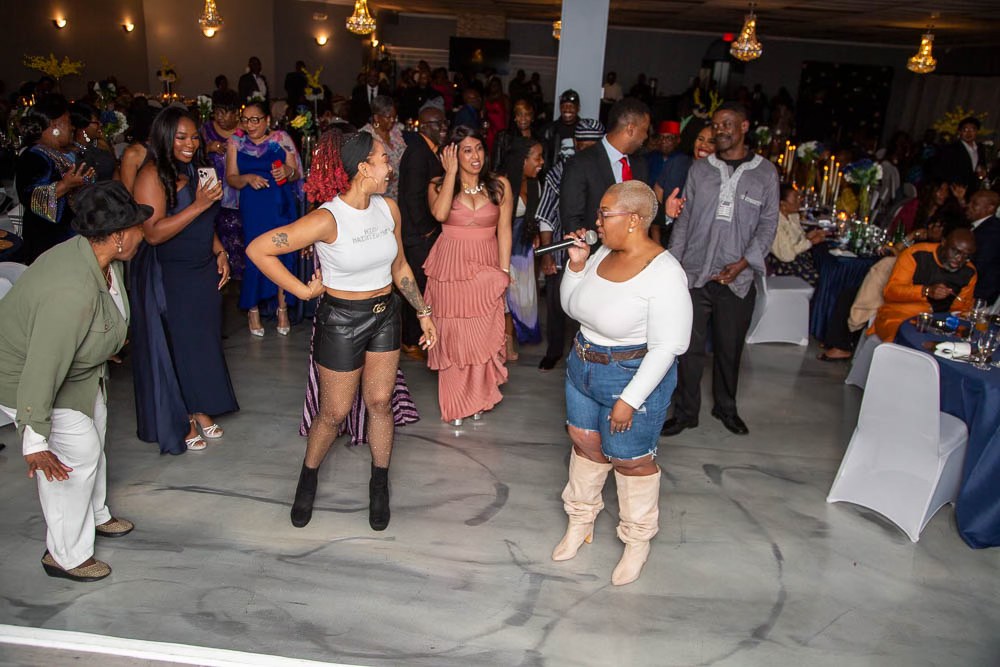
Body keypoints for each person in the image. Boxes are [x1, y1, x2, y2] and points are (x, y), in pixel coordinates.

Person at [246, 131, 438, 531]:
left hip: (385, 315)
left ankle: (379, 484)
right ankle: (308, 478)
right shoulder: (327, 218)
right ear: (363, 168)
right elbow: (259, 249)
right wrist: (302, 291)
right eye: (383, 159)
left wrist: (423, 312)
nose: (390, 166)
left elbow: (400, 266)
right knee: (333, 412)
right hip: (342, 321)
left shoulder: (389, 208)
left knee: (380, 402)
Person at [0, 181, 149, 582]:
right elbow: (43, 365)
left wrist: (107, 344)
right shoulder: (71, 290)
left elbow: (102, 318)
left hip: (77, 371)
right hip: (24, 378)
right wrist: (35, 440)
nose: (143, 233)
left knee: (94, 435)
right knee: (75, 456)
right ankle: (65, 555)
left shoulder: (103, 260)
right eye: (137, 226)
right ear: (118, 236)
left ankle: (95, 514)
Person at [554, 180, 692, 586]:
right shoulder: (601, 253)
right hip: (583, 365)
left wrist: (629, 399)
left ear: (633, 220)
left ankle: (636, 541)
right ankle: (580, 521)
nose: (596, 221)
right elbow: (572, 308)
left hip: (631, 374)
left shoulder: (664, 273)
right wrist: (576, 266)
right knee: (585, 443)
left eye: (604, 213)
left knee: (630, 460)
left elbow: (669, 346)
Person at [664, 103, 779, 437]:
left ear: (744, 126)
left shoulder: (765, 173)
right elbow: (684, 221)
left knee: (730, 348)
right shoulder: (700, 170)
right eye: (716, 125)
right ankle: (685, 412)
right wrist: (673, 269)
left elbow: (768, 224)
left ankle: (726, 408)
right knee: (688, 349)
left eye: (727, 124)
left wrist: (743, 263)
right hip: (695, 274)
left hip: (738, 278)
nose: (720, 130)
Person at [131, 107, 239, 454]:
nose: (190, 143)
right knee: (177, 344)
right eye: (181, 137)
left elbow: (207, 220)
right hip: (171, 271)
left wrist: (220, 251)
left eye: (194, 136)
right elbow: (152, 233)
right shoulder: (151, 175)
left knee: (201, 341)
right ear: (165, 137)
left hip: (202, 266)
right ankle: (183, 418)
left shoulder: (200, 168)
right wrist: (198, 205)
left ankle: (199, 405)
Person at [424, 125, 512, 425]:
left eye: (479, 149)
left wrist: (503, 273)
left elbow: (505, 231)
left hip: (487, 268)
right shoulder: (438, 185)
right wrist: (450, 174)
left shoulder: (499, 186)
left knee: (482, 334)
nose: (475, 156)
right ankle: (456, 403)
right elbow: (439, 214)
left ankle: (478, 398)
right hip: (451, 270)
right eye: (467, 150)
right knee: (453, 336)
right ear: (452, 154)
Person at [225, 101, 303, 336]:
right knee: (254, 253)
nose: (250, 125)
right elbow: (231, 177)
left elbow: (296, 173)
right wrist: (247, 178)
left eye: (255, 120)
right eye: (245, 120)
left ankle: (282, 309)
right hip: (253, 205)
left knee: (282, 253)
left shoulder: (281, 139)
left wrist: (288, 172)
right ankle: (253, 310)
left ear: (267, 119)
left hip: (280, 204)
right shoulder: (235, 143)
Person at [15, 94, 96, 263]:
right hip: (49, 241)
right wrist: (65, 185)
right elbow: (30, 197)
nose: (72, 127)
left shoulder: (57, 152)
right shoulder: (34, 156)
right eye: (69, 122)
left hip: (69, 237)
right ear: (55, 125)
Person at [398, 104, 449, 361]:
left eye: (444, 123)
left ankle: (415, 336)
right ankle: (409, 340)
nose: (444, 128)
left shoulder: (430, 151)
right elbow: (412, 197)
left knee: (422, 285)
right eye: (438, 124)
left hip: (421, 233)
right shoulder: (418, 153)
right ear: (425, 127)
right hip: (417, 235)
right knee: (415, 287)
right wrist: (427, 230)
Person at [873, 229, 977, 341]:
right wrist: (925, 291)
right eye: (955, 251)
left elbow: (960, 310)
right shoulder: (917, 254)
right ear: (943, 242)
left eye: (966, 256)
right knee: (905, 341)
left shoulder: (969, 272)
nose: (959, 259)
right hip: (900, 315)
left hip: (937, 325)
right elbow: (890, 292)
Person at [501, 136, 545, 357]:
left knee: (522, 297)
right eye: (537, 157)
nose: (542, 162)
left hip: (524, 248)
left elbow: (533, 217)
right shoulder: (502, 184)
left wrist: (534, 233)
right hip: (503, 247)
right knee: (505, 295)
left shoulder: (535, 184)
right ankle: (505, 343)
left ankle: (515, 335)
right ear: (522, 160)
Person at [201, 90, 244, 279]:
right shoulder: (205, 131)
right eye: (216, 112)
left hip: (240, 195)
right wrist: (208, 148)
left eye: (224, 112)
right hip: (213, 194)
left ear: (236, 113)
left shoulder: (246, 131)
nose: (219, 117)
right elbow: (191, 154)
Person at [766, 185, 825, 285]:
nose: (799, 201)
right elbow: (787, 255)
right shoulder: (776, 223)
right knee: (820, 280)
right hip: (784, 264)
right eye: (795, 199)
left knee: (825, 269)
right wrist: (811, 242)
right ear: (783, 204)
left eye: (798, 197)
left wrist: (807, 236)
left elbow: (794, 241)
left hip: (797, 258)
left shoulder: (792, 216)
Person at [359, 95, 405, 200]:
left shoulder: (397, 132)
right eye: (388, 117)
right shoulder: (366, 136)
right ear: (376, 117)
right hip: (378, 194)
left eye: (394, 117)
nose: (392, 120)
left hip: (401, 192)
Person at [68, 102, 118, 182]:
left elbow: (115, 170)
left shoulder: (101, 144)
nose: (100, 124)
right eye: (96, 122)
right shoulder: (72, 153)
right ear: (83, 126)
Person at [966, 189, 1000, 303]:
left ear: (990, 208)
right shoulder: (983, 227)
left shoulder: (992, 232)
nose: (968, 206)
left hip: (979, 295)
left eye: (974, 204)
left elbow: (979, 265)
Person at [492, 98, 542, 172]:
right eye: (519, 114)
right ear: (515, 117)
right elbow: (495, 167)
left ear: (532, 117)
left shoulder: (539, 139)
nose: (523, 118)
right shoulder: (503, 137)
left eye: (527, 114)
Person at [541, 89, 581, 169]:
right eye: (564, 106)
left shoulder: (584, 130)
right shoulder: (549, 129)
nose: (567, 109)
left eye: (571, 106)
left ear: (578, 108)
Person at [483, 77, 509, 155]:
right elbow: (484, 113)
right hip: (490, 128)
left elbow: (508, 114)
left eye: (496, 85)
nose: (493, 87)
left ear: (499, 86)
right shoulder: (487, 98)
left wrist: (506, 129)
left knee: (499, 149)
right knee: (489, 148)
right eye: (492, 85)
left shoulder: (504, 98)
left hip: (500, 127)